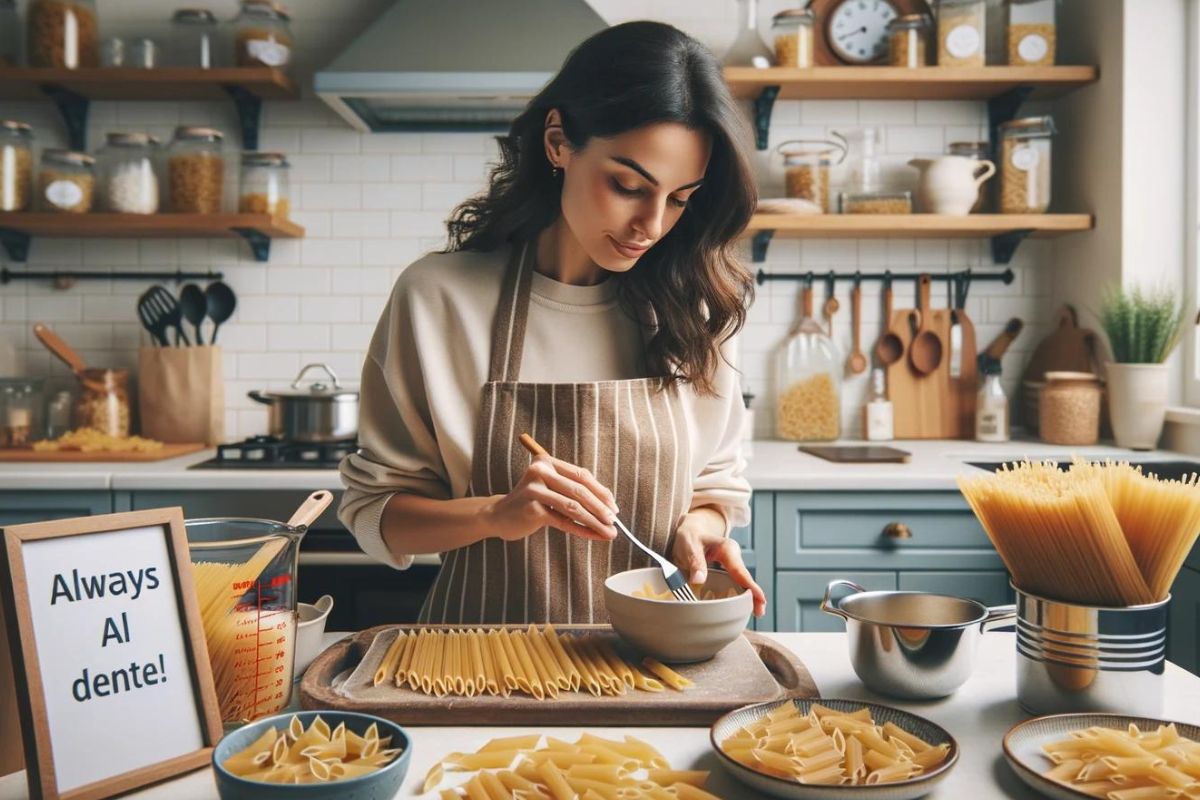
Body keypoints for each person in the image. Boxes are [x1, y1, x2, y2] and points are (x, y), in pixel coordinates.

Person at [339, 20, 767, 625]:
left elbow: (718, 484)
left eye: (680, 198)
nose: (651, 224)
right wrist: (495, 515)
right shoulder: (439, 299)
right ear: (559, 142)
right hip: (480, 667)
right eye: (627, 185)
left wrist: (701, 528)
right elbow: (375, 512)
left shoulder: (693, 305)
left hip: (654, 667)